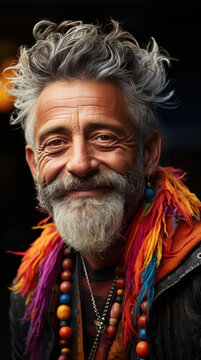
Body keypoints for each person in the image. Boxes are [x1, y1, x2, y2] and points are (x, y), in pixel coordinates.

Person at [6, 19, 201, 360]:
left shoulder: (195, 271)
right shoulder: (32, 290)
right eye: (56, 142)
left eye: (104, 137)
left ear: (149, 153)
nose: (80, 163)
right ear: (34, 164)